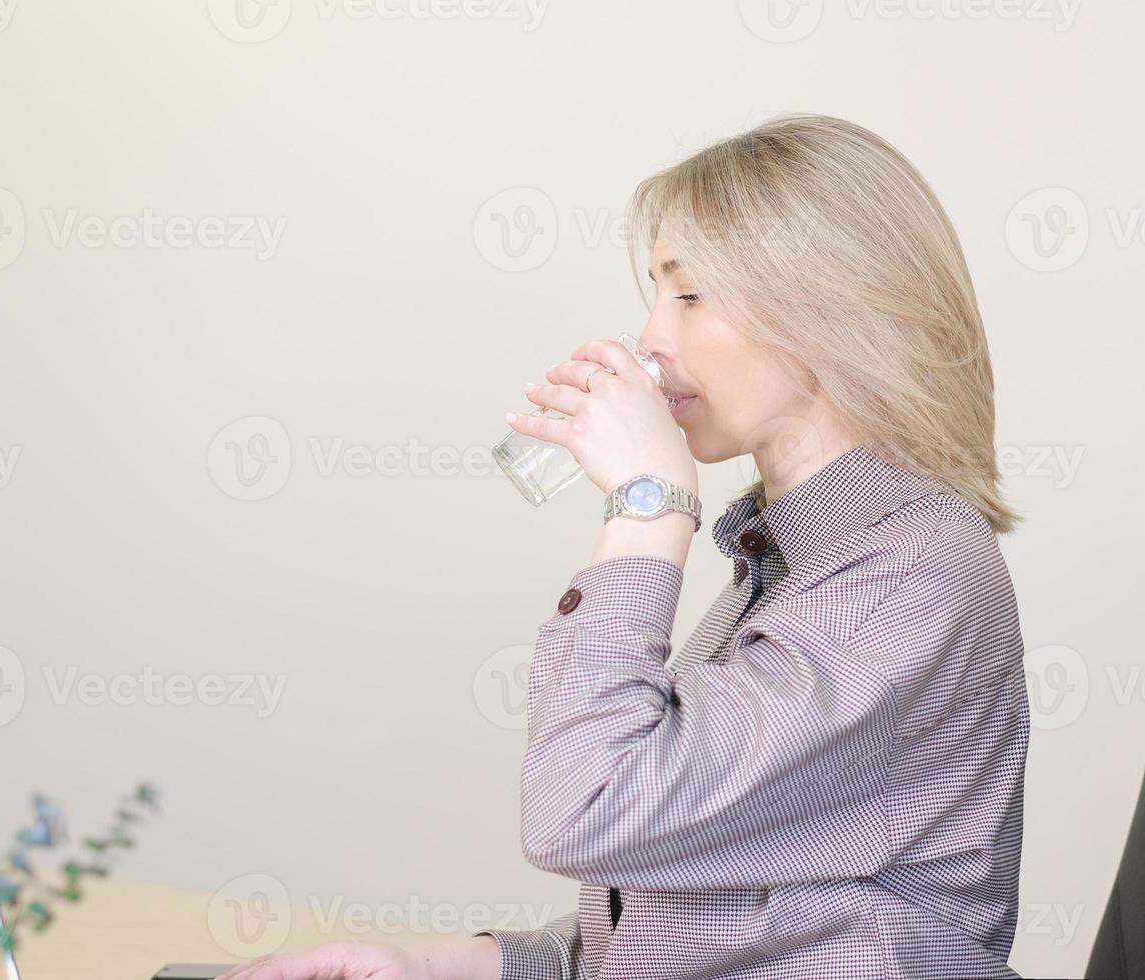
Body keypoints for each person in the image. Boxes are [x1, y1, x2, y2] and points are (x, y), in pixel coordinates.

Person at [218, 112, 1029, 980]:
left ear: (827, 307)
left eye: (688, 295)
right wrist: (439, 965)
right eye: (655, 292)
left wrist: (648, 507)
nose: (650, 337)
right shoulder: (793, 557)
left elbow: (586, 809)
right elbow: (708, 921)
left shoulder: (908, 573)